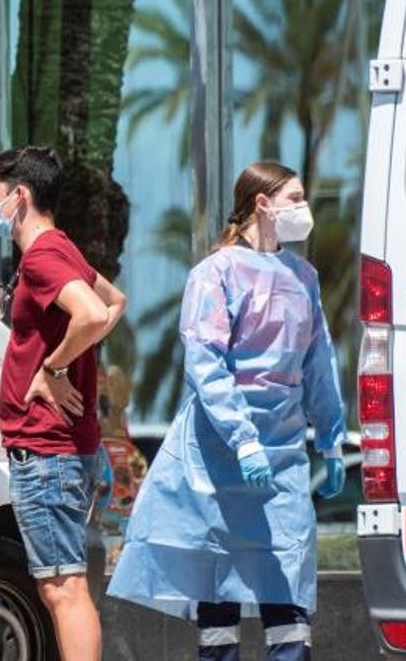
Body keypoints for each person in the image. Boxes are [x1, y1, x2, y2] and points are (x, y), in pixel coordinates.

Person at [107, 161, 347, 661]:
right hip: (218, 453)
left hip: (280, 456)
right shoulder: (214, 273)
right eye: (295, 198)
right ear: (262, 203)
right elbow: (206, 362)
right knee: (218, 591)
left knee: (286, 586)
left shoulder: (304, 278)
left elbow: (318, 360)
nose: (304, 209)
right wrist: (242, 437)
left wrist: (331, 437)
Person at [0, 146, 126, 661]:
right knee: (59, 584)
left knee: (63, 588)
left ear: (20, 196)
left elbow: (91, 312)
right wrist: (67, 355)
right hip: (62, 449)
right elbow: (115, 303)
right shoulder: (63, 249)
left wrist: (54, 367)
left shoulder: (43, 256)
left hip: (48, 449)